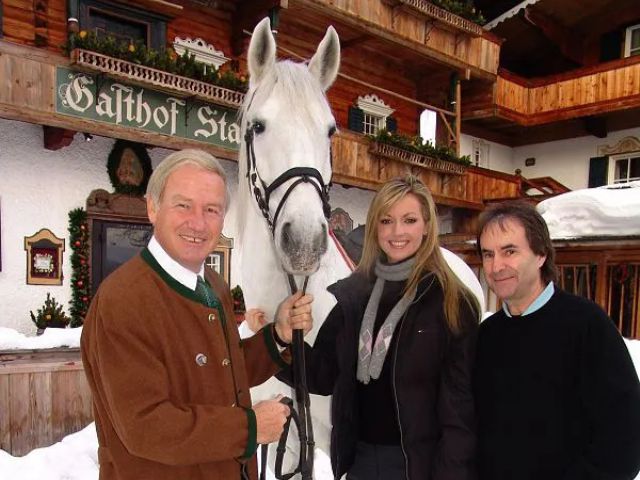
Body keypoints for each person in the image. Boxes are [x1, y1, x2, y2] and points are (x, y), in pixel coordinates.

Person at [81, 149, 314, 480]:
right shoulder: (123, 300)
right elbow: (146, 426)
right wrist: (250, 428)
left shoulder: (213, 285)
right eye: (183, 205)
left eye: (212, 210)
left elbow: (219, 374)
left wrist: (278, 335)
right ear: (153, 207)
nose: (198, 222)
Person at [277, 175, 481, 480]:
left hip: (420, 466)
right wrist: (281, 341)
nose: (397, 231)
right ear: (375, 226)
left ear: (427, 226)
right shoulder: (354, 296)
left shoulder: (451, 302)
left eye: (409, 220)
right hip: (360, 461)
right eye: (386, 221)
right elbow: (322, 374)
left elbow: (461, 410)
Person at [474, 200, 640, 480]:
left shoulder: (586, 325)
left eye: (509, 251)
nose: (496, 266)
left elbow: (626, 433)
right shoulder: (486, 335)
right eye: (488, 255)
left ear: (540, 254)